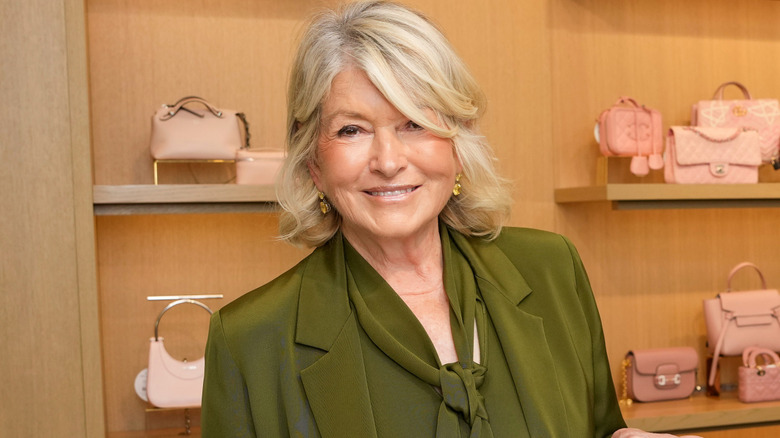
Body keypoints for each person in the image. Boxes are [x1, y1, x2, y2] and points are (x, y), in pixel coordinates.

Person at [201, 2, 701, 437]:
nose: (389, 160)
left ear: (458, 144)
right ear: (314, 162)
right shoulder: (251, 340)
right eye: (352, 129)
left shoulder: (551, 270)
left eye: (414, 123)